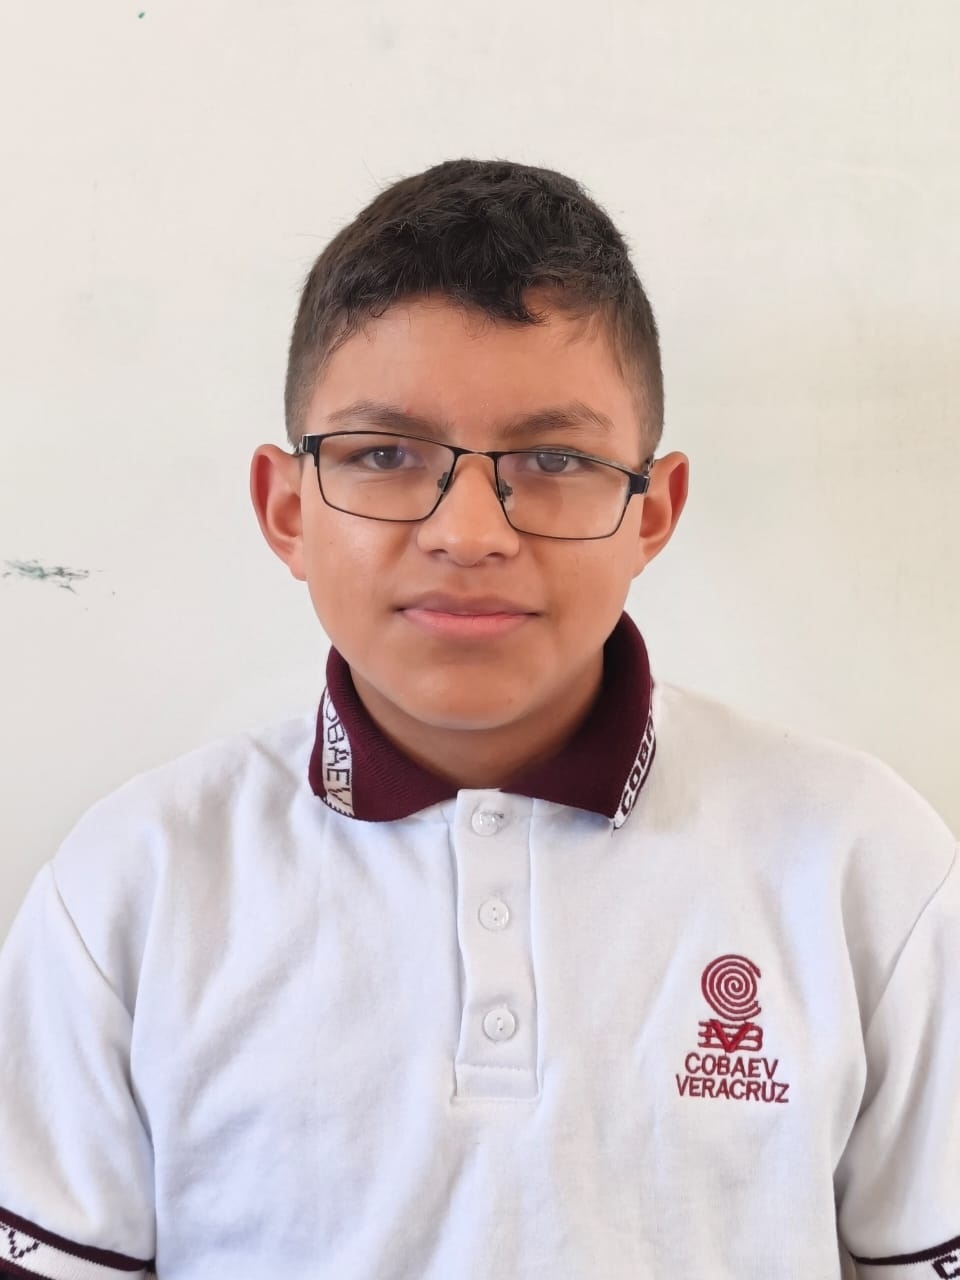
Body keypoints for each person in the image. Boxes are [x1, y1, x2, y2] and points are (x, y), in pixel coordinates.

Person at [0, 157, 956, 1280]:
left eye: (554, 459)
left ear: (652, 513)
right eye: (384, 455)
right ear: (287, 508)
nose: (469, 533)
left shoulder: (860, 862)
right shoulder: (134, 884)